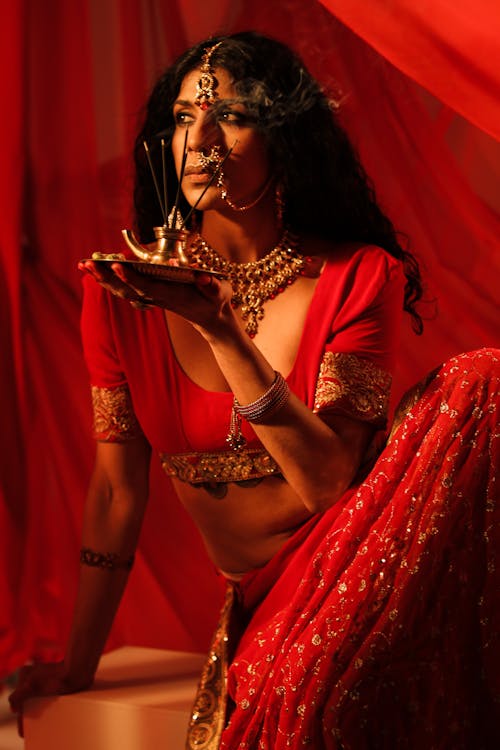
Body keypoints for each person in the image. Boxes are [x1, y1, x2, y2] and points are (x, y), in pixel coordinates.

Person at [9, 31, 499, 749]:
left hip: (356, 556)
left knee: (483, 379)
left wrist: (222, 332)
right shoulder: (120, 294)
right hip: (260, 592)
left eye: (230, 117)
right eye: (182, 119)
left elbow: (331, 483)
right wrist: (76, 669)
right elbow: (117, 490)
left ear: (284, 140)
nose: (200, 140)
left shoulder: (357, 277)